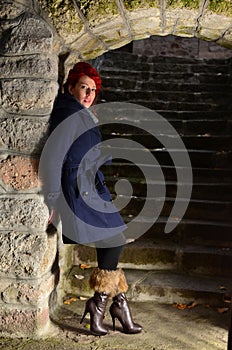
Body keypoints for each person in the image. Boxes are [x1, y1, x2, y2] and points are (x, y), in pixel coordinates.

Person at [41, 62, 142, 336]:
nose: (88, 93)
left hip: (91, 186)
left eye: (93, 89)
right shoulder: (68, 114)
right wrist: (52, 199)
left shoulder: (82, 114)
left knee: (113, 239)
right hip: (77, 189)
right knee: (115, 239)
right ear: (70, 87)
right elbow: (53, 157)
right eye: (84, 87)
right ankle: (104, 306)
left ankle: (115, 305)